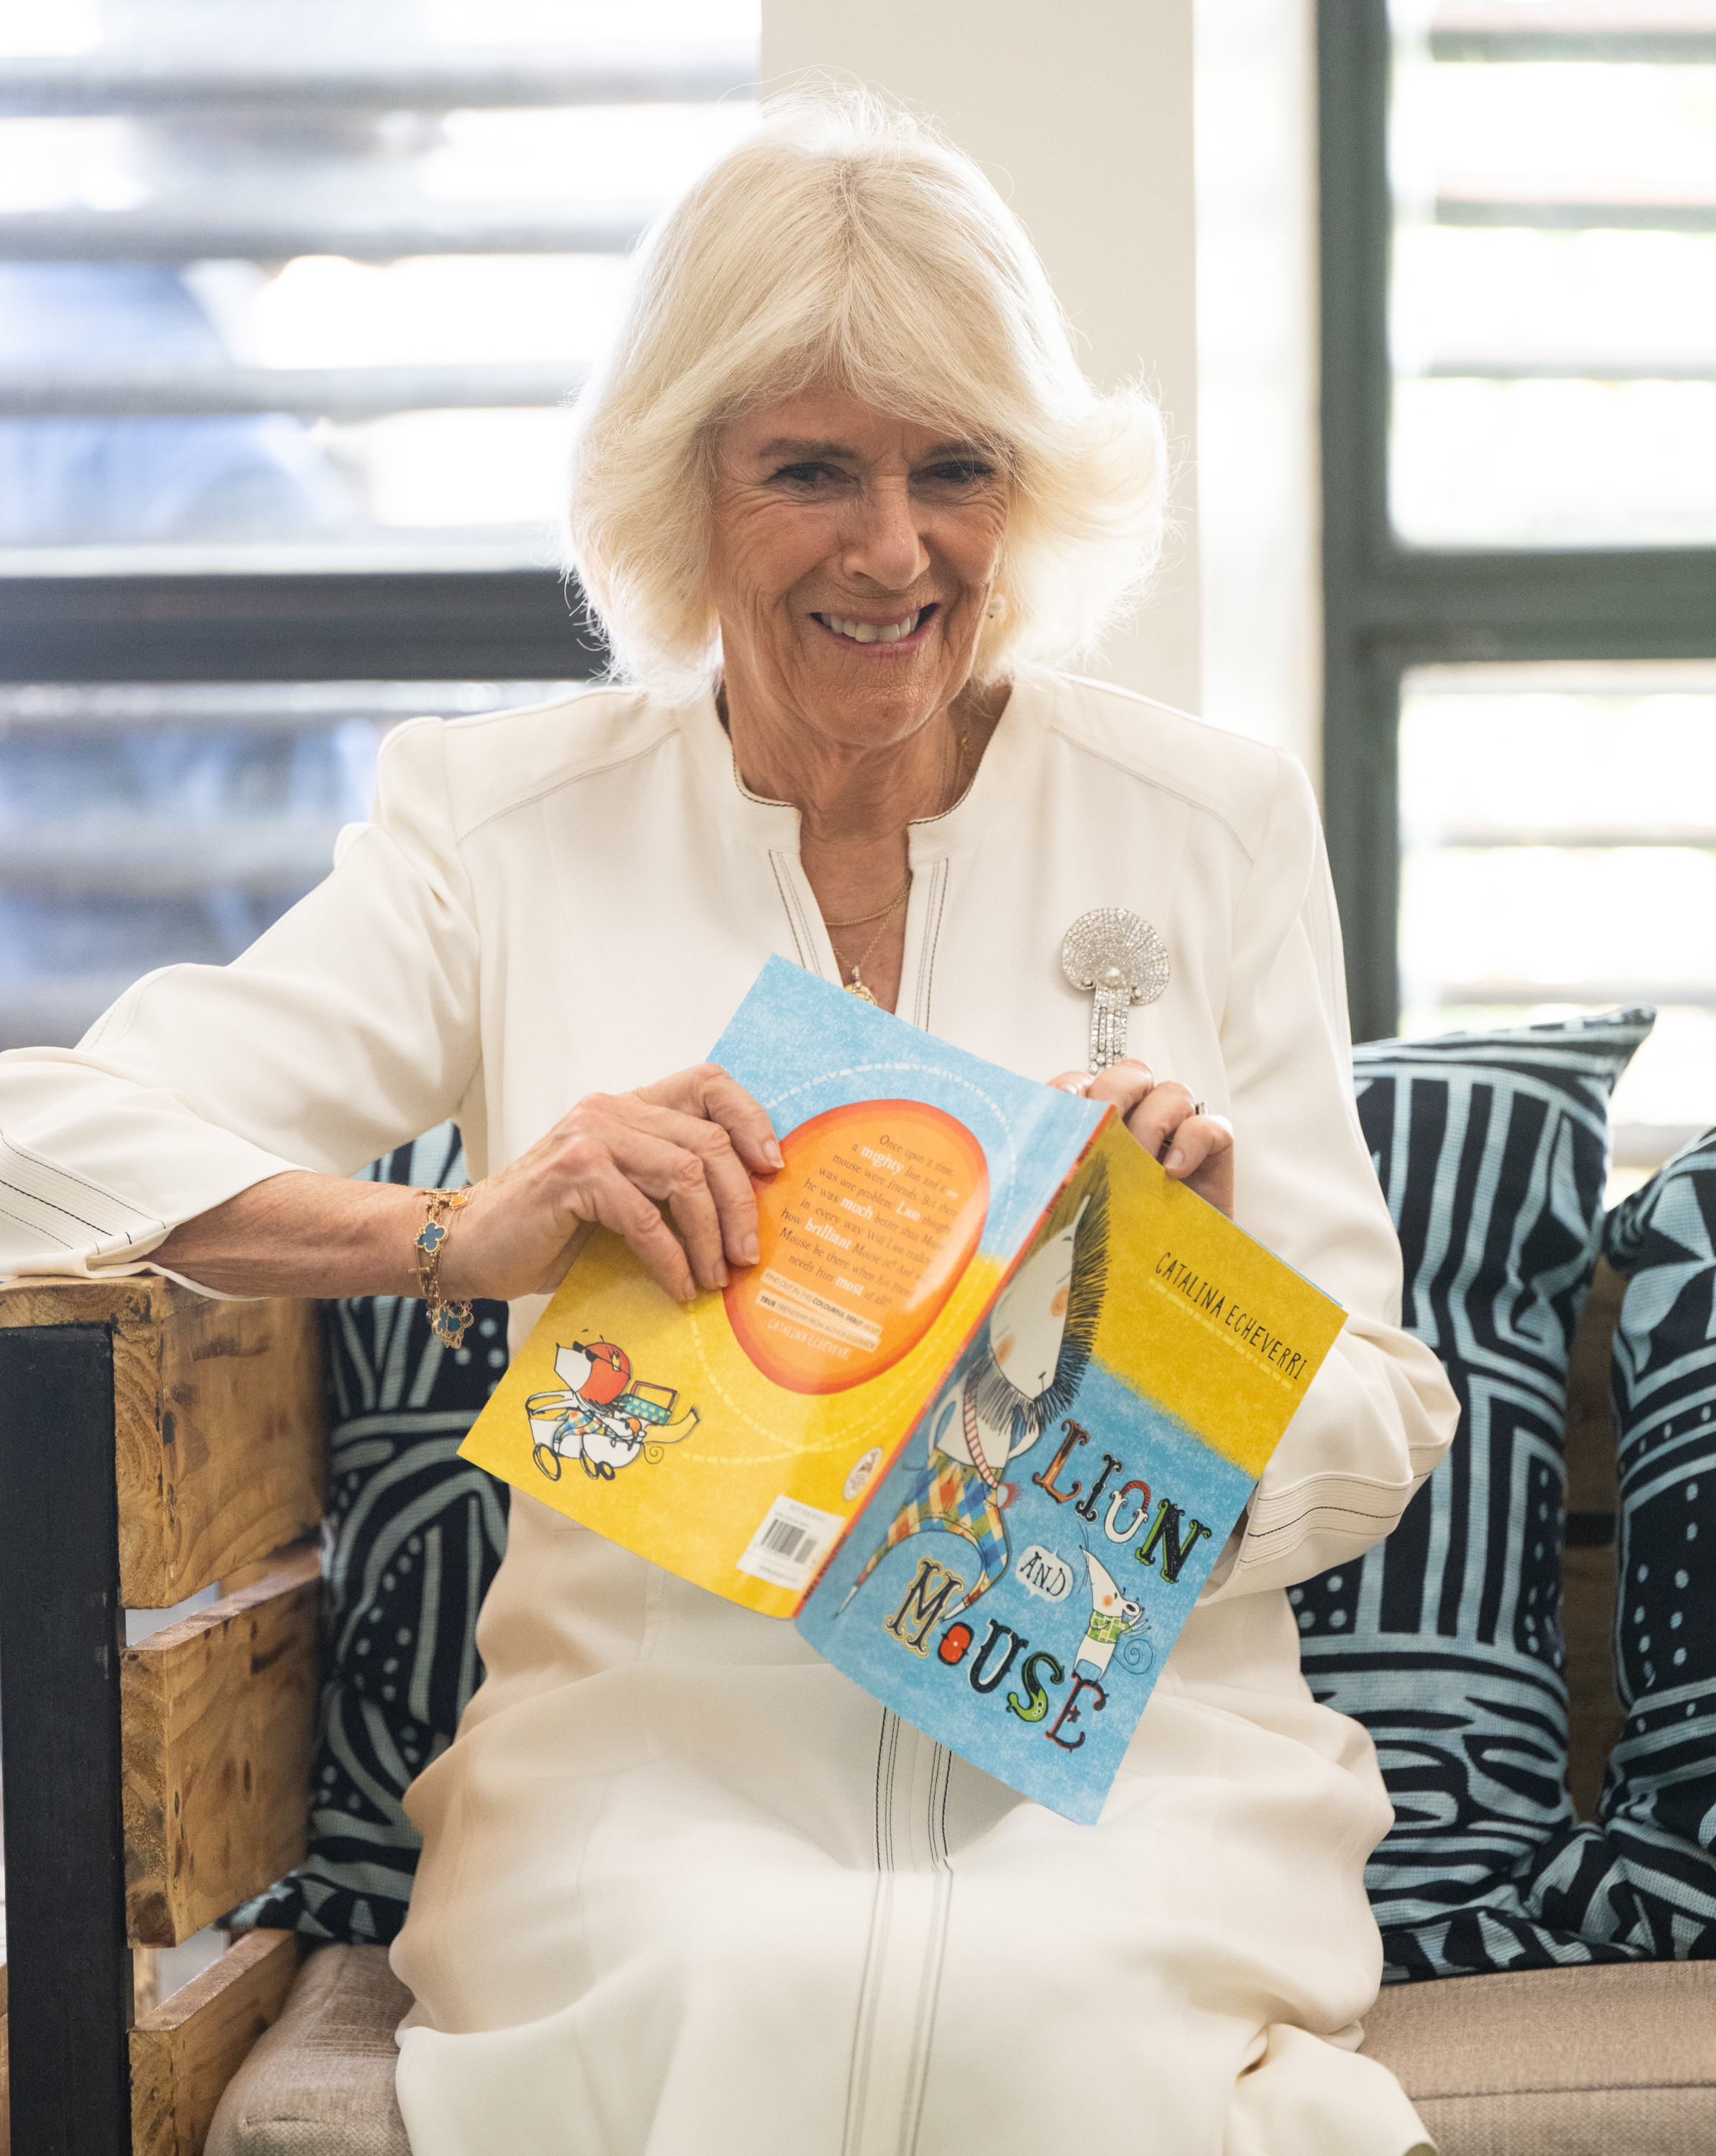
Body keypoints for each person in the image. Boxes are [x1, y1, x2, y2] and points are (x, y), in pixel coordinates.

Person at [0, 93, 1457, 2156]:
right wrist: (463, 1234)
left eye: (955, 469)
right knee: (736, 1985)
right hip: (649, 1760)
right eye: (810, 472)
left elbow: (1378, 1419)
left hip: (1123, 1767)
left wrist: (1159, 1333)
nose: (894, 549)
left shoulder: (1202, 822)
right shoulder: (501, 827)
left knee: (1034, 2019)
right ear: (682, 492)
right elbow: (38, 1144)